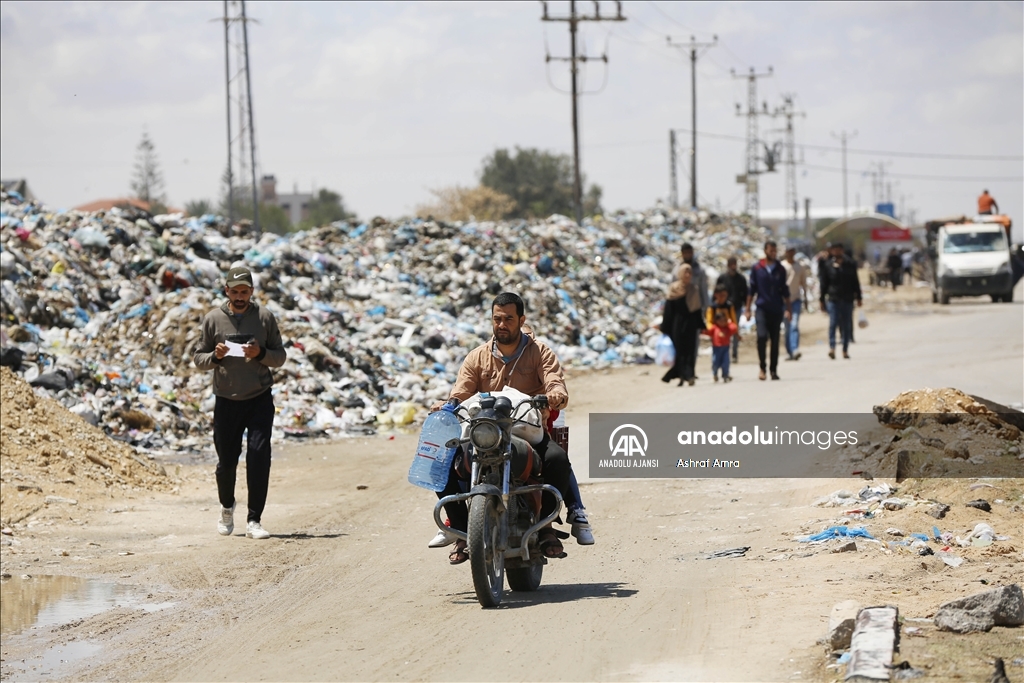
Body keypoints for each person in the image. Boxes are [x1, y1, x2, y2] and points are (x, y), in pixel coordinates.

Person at [428, 292, 576, 563]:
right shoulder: (477, 357)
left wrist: (555, 393)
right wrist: (448, 403)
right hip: (485, 432)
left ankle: (545, 527)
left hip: (527, 430)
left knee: (557, 459)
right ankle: (461, 530)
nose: (502, 324)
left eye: (509, 319)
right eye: (497, 319)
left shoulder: (540, 352)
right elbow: (461, 391)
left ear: (521, 320)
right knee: (439, 464)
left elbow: (554, 380)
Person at [192, 266, 286, 540]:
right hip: (226, 400)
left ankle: (254, 519)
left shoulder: (265, 318)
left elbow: (279, 356)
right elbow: (199, 359)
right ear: (226, 292)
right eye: (235, 292)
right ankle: (226, 506)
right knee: (226, 462)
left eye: (245, 292)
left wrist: (261, 353)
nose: (240, 296)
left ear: (252, 292)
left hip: (259, 398)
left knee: (259, 456)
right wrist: (216, 356)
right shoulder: (213, 320)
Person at [745, 241, 791, 381]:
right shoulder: (757, 268)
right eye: (771, 250)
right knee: (761, 337)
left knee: (775, 340)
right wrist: (747, 309)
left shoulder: (780, 269)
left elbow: (785, 290)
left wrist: (788, 309)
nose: (773, 253)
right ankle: (762, 367)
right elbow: (751, 290)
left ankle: (773, 370)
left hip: (776, 309)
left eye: (775, 251)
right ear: (765, 251)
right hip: (762, 308)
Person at [661, 264, 705, 386]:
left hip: (690, 325)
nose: (688, 275)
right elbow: (669, 311)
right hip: (677, 324)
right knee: (679, 351)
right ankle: (681, 375)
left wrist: (701, 325)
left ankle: (689, 375)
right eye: (685, 273)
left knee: (690, 350)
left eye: (690, 273)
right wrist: (665, 326)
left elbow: (697, 310)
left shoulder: (693, 289)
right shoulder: (674, 289)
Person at [819, 244, 862, 359]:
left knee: (846, 325)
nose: (836, 252)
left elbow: (855, 281)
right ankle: (832, 347)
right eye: (834, 250)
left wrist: (859, 297)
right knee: (833, 323)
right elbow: (824, 284)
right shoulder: (828, 265)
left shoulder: (850, 264)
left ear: (842, 251)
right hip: (833, 299)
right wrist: (821, 300)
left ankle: (845, 349)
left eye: (839, 250)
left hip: (847, 299)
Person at [680, 243, 709, 377]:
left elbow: (704, 290)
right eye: (685, 253)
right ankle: (683, 369)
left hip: (695, 309)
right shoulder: (677, 270)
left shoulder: (699, 271)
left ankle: (691, 369)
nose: (688, 255)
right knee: (681, 341)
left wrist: (706, 309)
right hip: (681, 310)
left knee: (694, 342)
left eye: (689, 252)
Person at [715, 257, 748, 363]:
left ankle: (734, 354)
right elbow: (716, 292)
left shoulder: (741, 279)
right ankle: (724, 354)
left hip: (736, 309)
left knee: (734, 330)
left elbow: (745, 294)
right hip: (723, 310)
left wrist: (746, 308)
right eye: (731, 264)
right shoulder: (722, 278)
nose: (733, 266)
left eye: (735, 264)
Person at [782, 246, 807, 361]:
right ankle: (789, 351)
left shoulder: (800, 267)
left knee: (794, 325)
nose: (790, 253)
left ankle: (795, 349)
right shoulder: (782, 266)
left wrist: (806, 298)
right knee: (787, 328)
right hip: (783, 302)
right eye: (788, 251)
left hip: (796, 300)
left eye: (792, 251)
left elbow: (804, 283)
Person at [701, 310, 738, 382]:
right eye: (720, 320)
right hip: (716, 348)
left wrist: (729, 323)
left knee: (726, 362)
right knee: (715, 362)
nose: (722, 322)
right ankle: (714, 374)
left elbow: (734, 328)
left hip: (725, 348)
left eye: (724, 320)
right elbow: (707, 332)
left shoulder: (728, 328)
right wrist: (703, 331)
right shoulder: (714, 328)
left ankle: (725, 375)